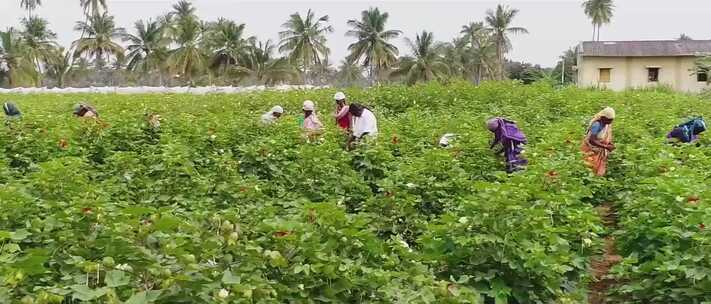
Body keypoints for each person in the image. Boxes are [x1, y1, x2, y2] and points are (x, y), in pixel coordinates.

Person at [581, 107, 616, 176]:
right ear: (603, 118)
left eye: (612, 120)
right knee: (589, 166)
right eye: (609, 120)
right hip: (591, 149)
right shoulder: (596, 125)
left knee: (595, 168)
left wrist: (609, 144)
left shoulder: (606, 125)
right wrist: (606, 146)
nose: (611, 122)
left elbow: (605, 138)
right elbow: (591, 140)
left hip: (599, 148)